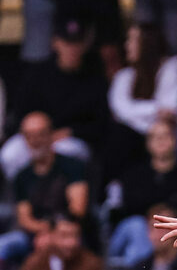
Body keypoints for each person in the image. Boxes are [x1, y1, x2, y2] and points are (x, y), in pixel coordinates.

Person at [2, 17, 109, 181]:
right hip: (34, 135)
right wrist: (36, 132)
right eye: (67, 42)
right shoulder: (38, 74)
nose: (71, 49)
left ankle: (59, 203)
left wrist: (71, 131)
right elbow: (20, 112)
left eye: (77, 43)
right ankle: (22, 199)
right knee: (10, 154)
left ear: (85, 44)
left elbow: (101, 123)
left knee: (70, 153)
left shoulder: (94, 79)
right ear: (55, 42)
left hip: (69, 139)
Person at [0, 113, 89, 270]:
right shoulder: (22, 176)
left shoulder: (72, 167)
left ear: (51, 134)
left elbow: (78, 209)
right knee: (3, 246)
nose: (35, 140)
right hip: (34, 236)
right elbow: (24, 218)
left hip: (70, 230)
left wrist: (54, 234)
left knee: (59, 243)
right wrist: (43, 232)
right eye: (29, 135)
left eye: (40, 134)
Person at [108, 114, 177, 267]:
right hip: (136, 231)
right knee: (137, 227)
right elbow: (125, 209)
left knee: (161, 232)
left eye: (165, 136)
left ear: (176, 141)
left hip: (172, 234)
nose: (161, 141)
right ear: (148, 143)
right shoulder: (132, 176)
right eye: (155, 137)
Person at [107, 23, 177, 177]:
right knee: (119, 135)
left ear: (147, 43)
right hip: (136, 135)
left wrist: (139, 117)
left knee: (173, 134)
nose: (127, 45)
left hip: (169, 132)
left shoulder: (172, 66)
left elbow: (171, 107)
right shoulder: (124, 76)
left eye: (132, 40)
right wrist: (155, 114)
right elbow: (120, 109)